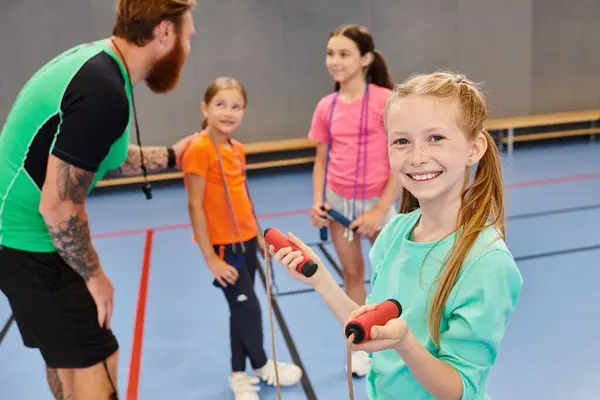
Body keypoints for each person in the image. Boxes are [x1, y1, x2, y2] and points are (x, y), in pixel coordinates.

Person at [270, 71, 523, 399]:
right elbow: (372, 324)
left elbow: (458, 389)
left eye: (435, 138)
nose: (417, 156)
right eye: (402, 141)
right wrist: (319, 278)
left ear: (474, 149)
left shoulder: (487, 262)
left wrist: (405, 344)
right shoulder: (395, 232)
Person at [0, 1, 198, 399]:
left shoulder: (98, 63)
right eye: (187, 36)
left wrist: (174, 156)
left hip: (20, 240)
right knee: (97, 358)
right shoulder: (103, 91)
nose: (188, 47)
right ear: (164, 33)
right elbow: (58, 206)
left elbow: (102, 154)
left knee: (67, 357)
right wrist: (95, 277)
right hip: (28, 243)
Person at [181, 77, 303, 400]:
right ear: (205, 108)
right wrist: (211, 259)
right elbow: (195, 205)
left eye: (237, 106)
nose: (229, 112)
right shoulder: (198, 149)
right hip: (224, 250)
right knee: (249, 310)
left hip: (247, 242)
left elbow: (242, 197)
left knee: (241, 309)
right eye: (221, 105)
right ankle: (262, 365)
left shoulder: (236, 149)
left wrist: (258, 235)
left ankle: (239, 373)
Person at [307, 24, 403, 376]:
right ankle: (359, 342)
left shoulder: (385, 100)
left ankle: (396, 339)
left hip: (378, 202)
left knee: (392, 273)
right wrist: (318, 201)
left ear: (365, 58)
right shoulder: (325, 106)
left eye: (344, 54)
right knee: (352, 273)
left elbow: (400, 158)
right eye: (331, 53)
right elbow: (321, 158)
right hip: (339, 204)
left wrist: (380, 210)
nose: (335, 61)